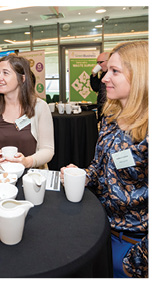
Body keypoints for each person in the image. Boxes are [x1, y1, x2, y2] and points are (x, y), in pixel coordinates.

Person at [60, 41, 148, 278]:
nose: (105, 78)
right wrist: (79, 175)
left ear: (139, 75)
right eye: (106, 70)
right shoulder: (110, 119)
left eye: (114, 71)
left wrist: (137, 260)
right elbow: (99, 169)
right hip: (100, 230)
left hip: (131, 245)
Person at [0, 54, 54, 168]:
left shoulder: (40, 107)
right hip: (0, 178)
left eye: (5, 73)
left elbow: (47, 150)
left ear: (22, 78)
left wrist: (27, 162)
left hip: (33, 178)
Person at [90, 52, 109, 124]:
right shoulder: (103, 73)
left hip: (109, 109)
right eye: (97, 63)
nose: (98, 65)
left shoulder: (114, 74)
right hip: (102, 108)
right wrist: (94, 75)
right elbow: (96, 88)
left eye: (100, 62)